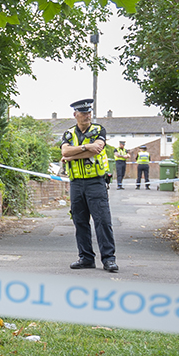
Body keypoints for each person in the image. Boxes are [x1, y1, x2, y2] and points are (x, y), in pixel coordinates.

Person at [60, 98, 119, 273]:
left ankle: (109, 259)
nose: (87, 116)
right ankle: (86, 258)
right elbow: (64, 151)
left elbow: (98, 148)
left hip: (95, 182)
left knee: (102, 221)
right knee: (80, 221)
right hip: (76, 184)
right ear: (75, 115)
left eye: (89, 112)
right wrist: (86, 148)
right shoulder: (69, 133)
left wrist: (72, 155)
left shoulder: (98, 130)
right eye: (83, 113)